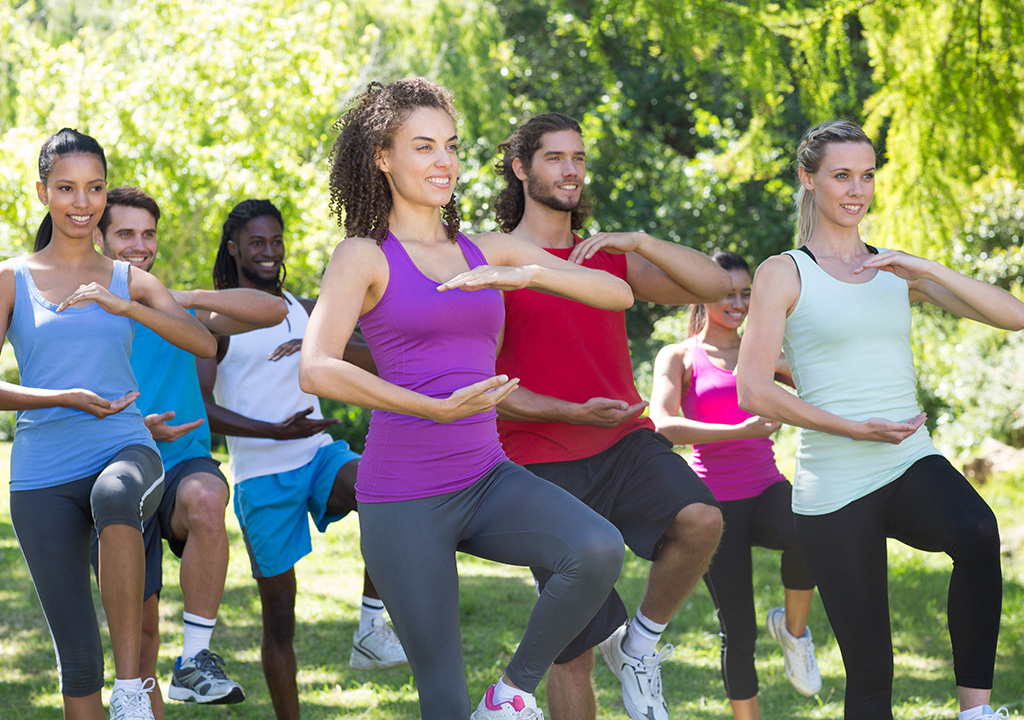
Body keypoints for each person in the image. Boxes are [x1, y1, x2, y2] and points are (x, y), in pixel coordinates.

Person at [299, 78, 632, 720]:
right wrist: (428, 406)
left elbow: (617, 295)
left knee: (595, 549)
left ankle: (509, 695)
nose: (443, 161)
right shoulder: (363, 256)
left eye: (450, 146)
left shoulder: (489, 250)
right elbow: (317, 368)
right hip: (404, 495)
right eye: (423, 146)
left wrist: (530, 273)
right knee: (443, 704)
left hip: (485, 475)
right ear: (383, 158)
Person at [735, 119, 1024, 720]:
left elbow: (1013, 316)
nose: (856, 190)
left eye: (867, 175)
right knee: (872, 680)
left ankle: (976, 712)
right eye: (841, 175)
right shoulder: (783, 272)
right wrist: (849, 427)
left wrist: (929, 270)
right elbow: (753, 390)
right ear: (808, 179)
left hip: (906, 457)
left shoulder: (892, 271)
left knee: (975, 531)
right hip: (835, 485)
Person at [490, 112, 730, 720]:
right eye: (554, 158)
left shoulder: (605, 258)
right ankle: (616, 651)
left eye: (578, 158)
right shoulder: (493, 263)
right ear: (521, 169)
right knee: (571, 651)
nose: (570, 170)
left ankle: (643, 645)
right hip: (539, 460)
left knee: (702, 519)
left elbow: (712, 284)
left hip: (625, 442)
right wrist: (572, 411)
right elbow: (486, 387)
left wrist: (641, 242)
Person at [4, 129, 216, 720]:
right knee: (76, 660)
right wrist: (61, 397)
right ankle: (106, 687)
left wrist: (127, 305)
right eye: (67, 188)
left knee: (116, 492)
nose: (82, 202)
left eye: (94, 188)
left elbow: (203, 341)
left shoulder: (129, 280)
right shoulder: (11, 278)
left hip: (124, 445)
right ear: (43, 191)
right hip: (40, 474)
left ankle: (132, 687)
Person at [197, 198, 408, 720]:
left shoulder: (302, 307)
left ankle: (370, 627)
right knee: (280, 623)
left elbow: (377, 357)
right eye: (256, 243)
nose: (269, 253)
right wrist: (272, 431)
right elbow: (203, 411)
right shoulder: (214, 320)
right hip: (261, 479)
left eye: (276, 241)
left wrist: (318, 344)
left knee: (384, 486)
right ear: (234, 249)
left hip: (317, 454)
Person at [94, 185, 289, 715]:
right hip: (116, 475)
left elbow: (271, 310)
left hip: (182, 463)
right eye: (125, 234)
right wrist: (135, 427)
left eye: (148, 233)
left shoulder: (175, 309)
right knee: (141, 641)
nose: (140, 244)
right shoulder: (83, 313)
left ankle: (197, 658)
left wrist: (180, 297)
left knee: (208, 497)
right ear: (99, 237)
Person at [649, 250, 821, 720]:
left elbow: (824, 391)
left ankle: (794, 630)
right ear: (702, 295)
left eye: (747, 292)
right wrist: (740, 431)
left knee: (810, 526)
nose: (738, 302)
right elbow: (663, 425)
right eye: (727, 292)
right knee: (738, 630)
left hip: (767, 490)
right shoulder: (679, 356)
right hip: (714, 508)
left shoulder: (764, 352)